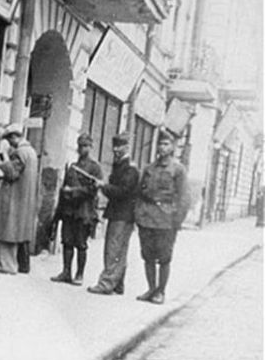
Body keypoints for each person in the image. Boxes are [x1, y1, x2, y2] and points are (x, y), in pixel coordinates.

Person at [135, 129, 190, 304]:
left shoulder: (178, 169)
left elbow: (184, 197)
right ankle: (151, 289)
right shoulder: (149, 168)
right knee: (147, 256)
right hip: (147, 219)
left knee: (164, 258)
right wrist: (138, 214)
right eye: (160, 143)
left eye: (166, 144)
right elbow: (139, 193)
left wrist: (177, 220)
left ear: (173, 147)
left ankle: (161, 292)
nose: (162, 147)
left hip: (166, 221)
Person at [87, 132, 139, 295]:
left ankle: (106, 283)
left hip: (122, 215)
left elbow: (123, 191)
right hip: (122, 214)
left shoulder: (129, 168)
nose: (116, 150)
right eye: (115, 146)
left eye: (120, 147)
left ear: (127, 147)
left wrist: (103, 186)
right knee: (119, 250)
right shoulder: (122, 165)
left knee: (113, 249)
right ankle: (117, 284)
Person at [50, 133, 103, 285]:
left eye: (86, 146)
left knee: (80, 244)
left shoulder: (95, 168)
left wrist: (72, 191)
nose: (82, 149)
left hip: (84, 211)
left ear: (91, 147)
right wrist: (59, 211)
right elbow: (63, 188)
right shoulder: (73, 166)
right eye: (80, 146)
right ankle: (66, 272)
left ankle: (79, 274)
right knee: (67, 242)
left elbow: (92, 191)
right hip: (69, 211)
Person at [0, 123, 38, 274]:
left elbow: (11, 173)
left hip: (14, 197)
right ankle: (19, 265)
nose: (10, 144)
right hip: (25, 198)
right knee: (18, 230)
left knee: (7, 229)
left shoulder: (19, 153)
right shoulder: (31, 152)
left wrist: (3, 157)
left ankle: (7, 265)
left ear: (14, 137)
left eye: (10, 140)